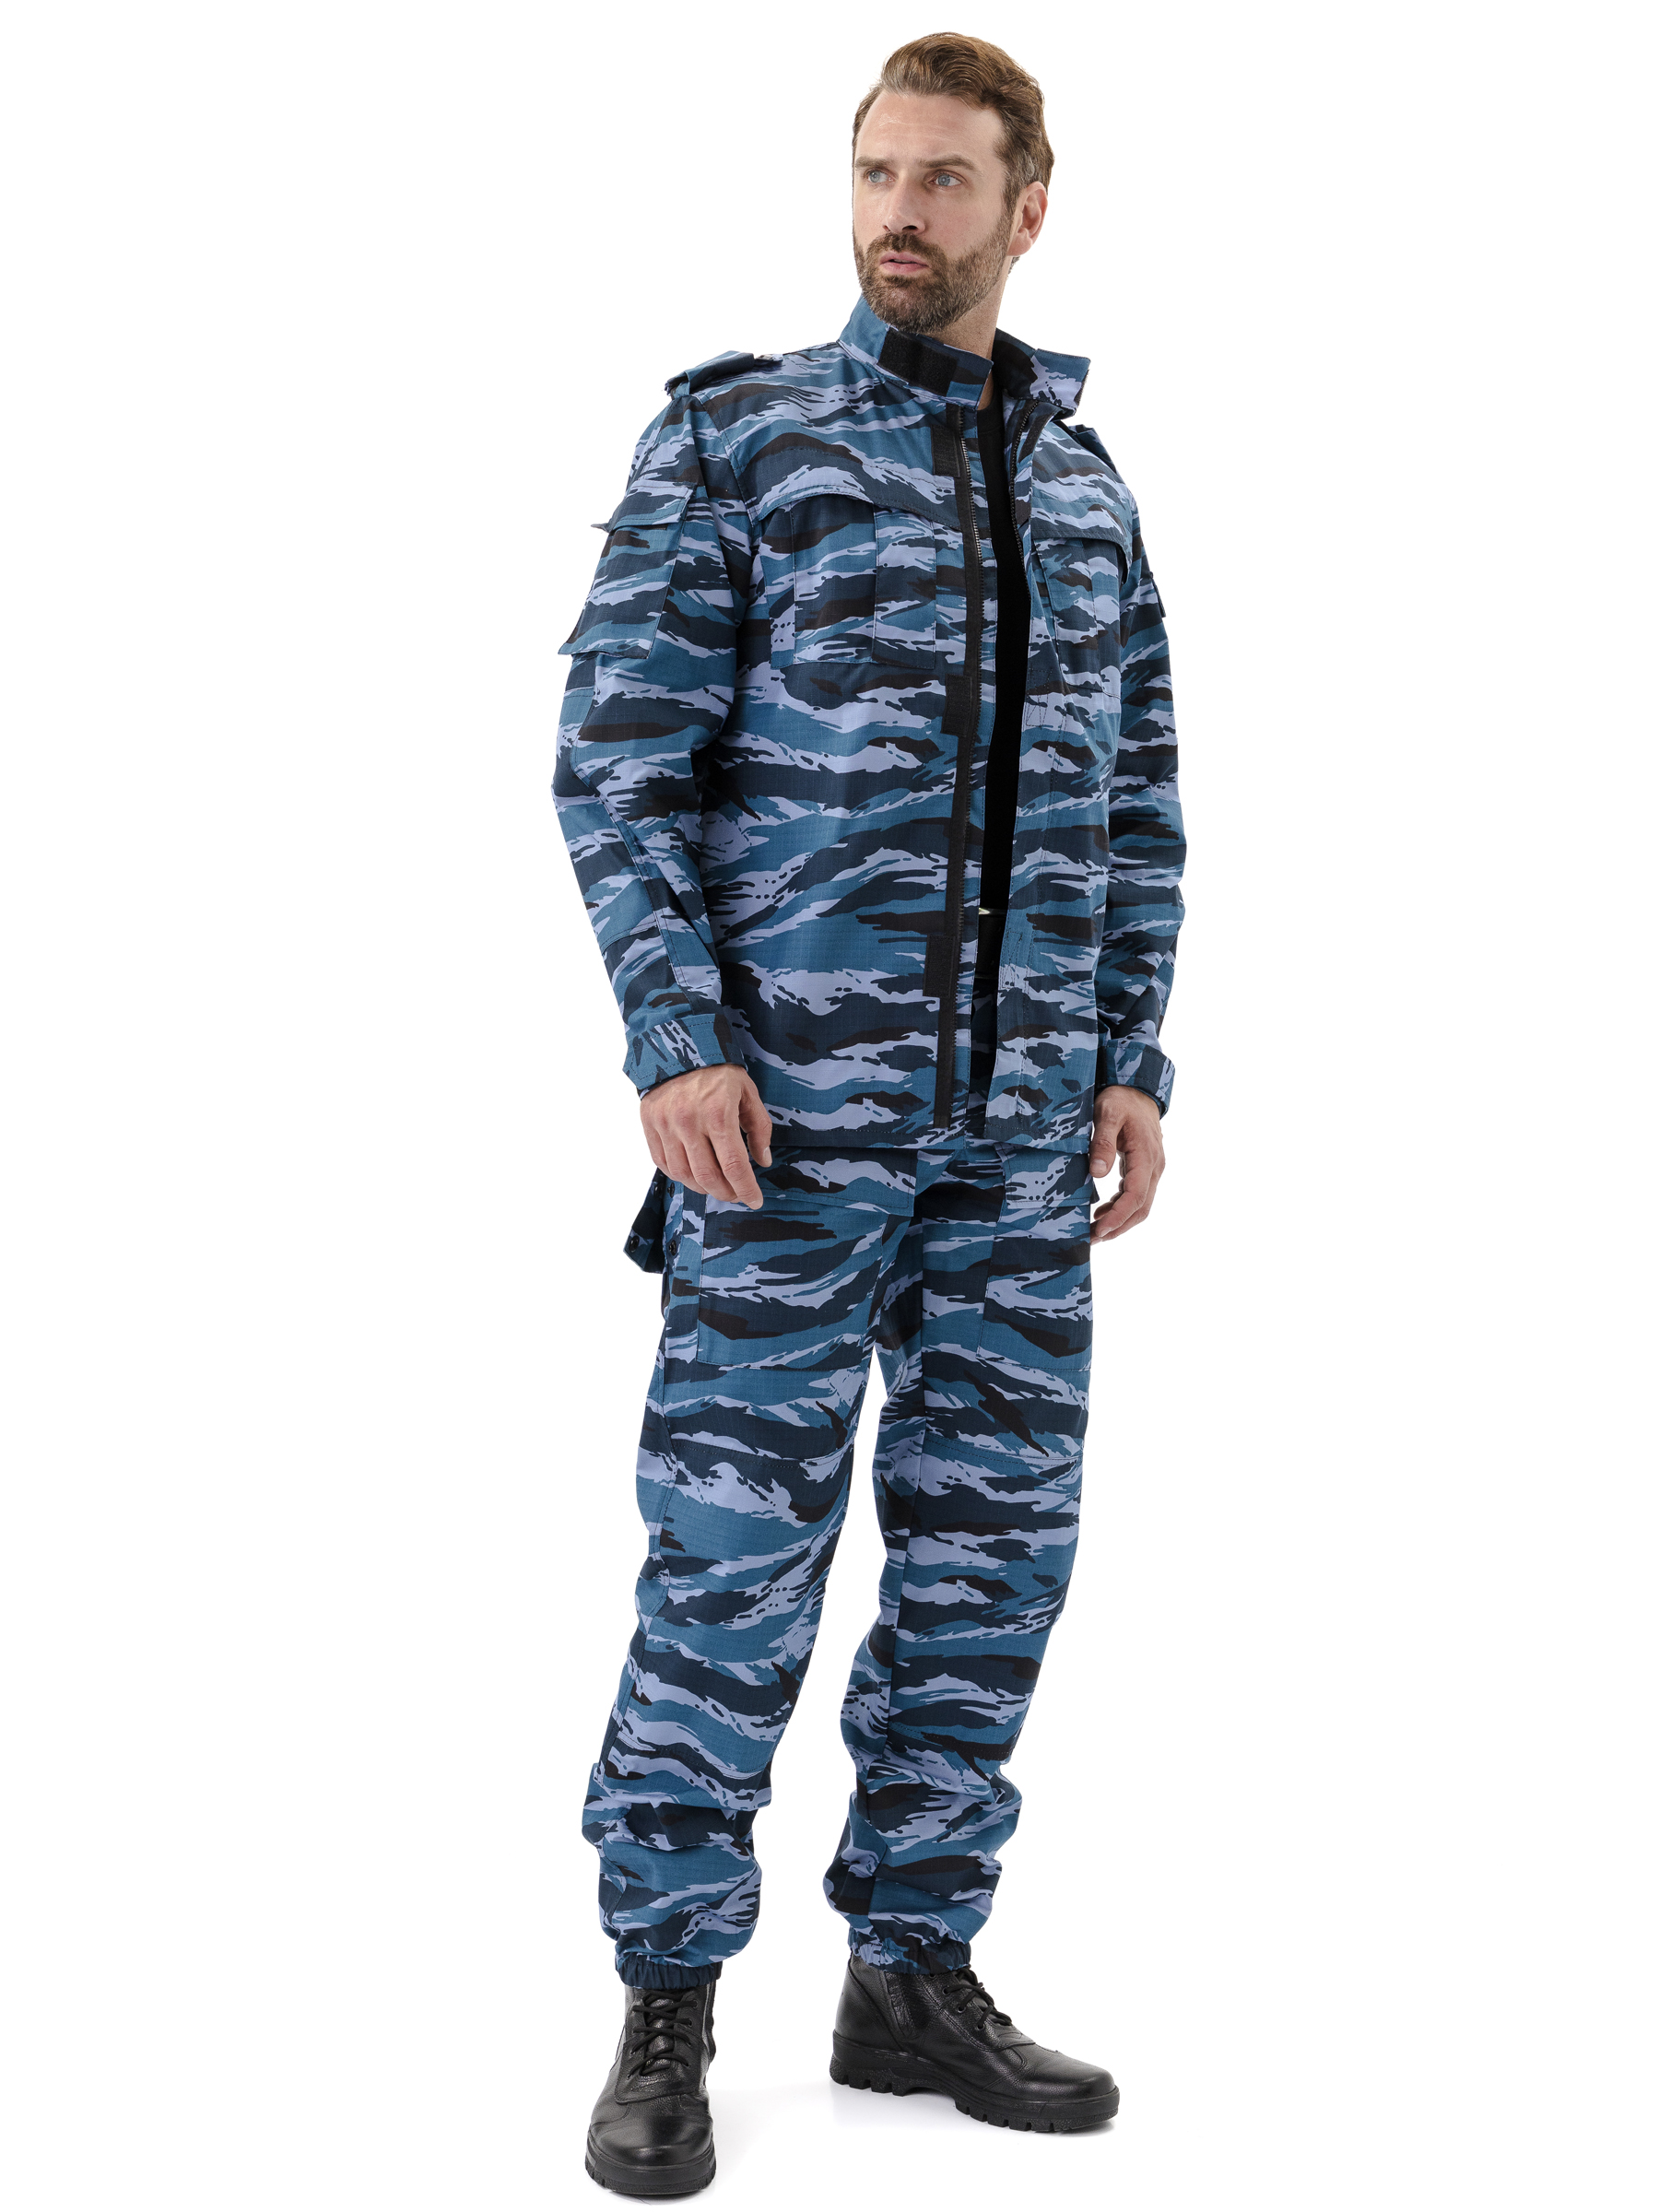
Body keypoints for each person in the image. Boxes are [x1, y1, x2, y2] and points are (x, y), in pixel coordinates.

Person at [553, 31, 1184, 2196]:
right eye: (876, 173)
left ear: (1029, 209)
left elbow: (1136, 801)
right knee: (732, 1571)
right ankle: (666, 1997)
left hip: (1018, 1158)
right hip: (783, 1139)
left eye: (944, 180)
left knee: (991, 1570)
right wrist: (674, 1040)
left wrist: (1132, 1057)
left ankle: (913, 1971)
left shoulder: (1088, 494)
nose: (900, 213)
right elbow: (618, 766)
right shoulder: (740, 444)